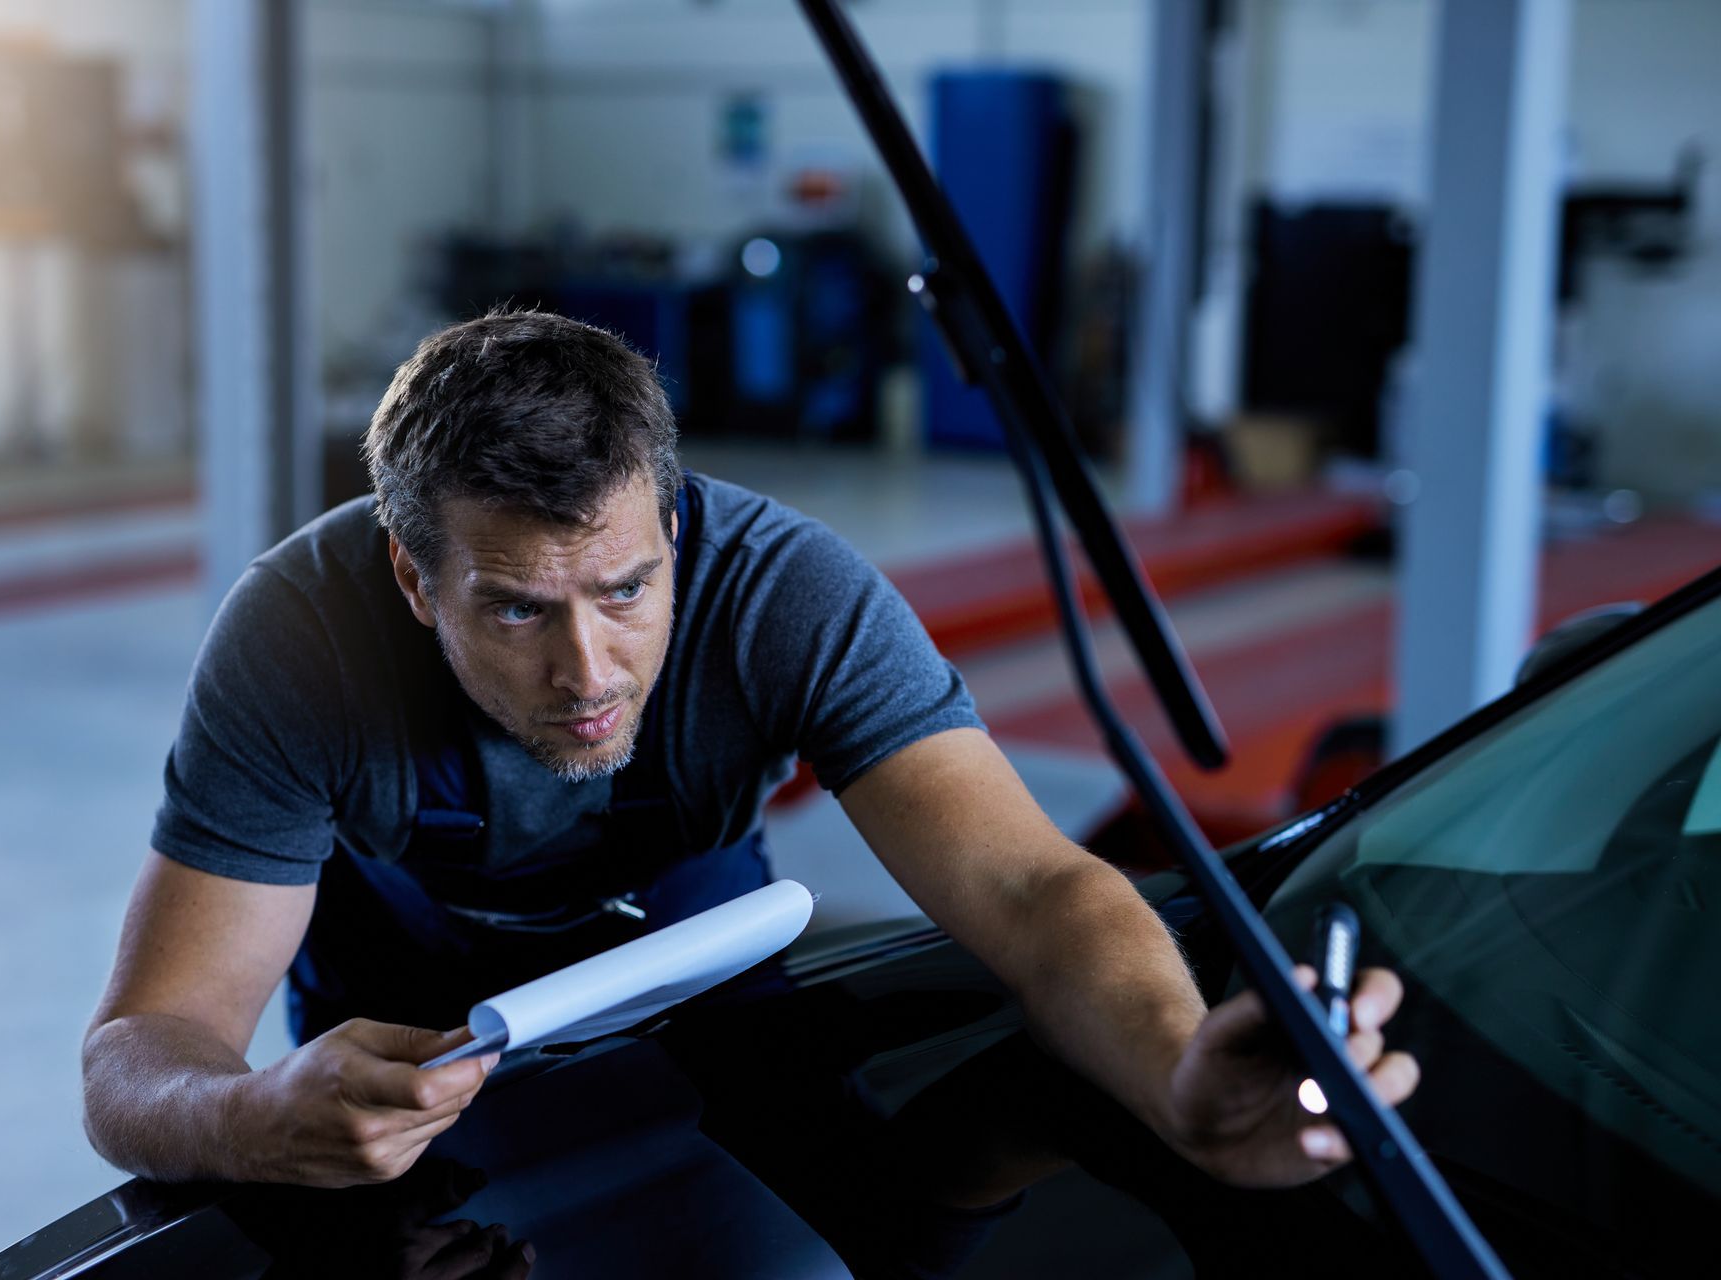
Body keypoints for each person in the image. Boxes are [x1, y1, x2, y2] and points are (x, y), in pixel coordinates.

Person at [82, 309, 1417, 1193]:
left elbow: (1033, 892)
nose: (589, 670)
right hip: (397, 1027)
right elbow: (144, 1048)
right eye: (515, 608)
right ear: (414, 581)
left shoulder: (788, 592)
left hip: (700, 968)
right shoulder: (295, 640)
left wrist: (1182, 1078)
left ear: (673, 524)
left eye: (625, 590)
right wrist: (257, 1118)